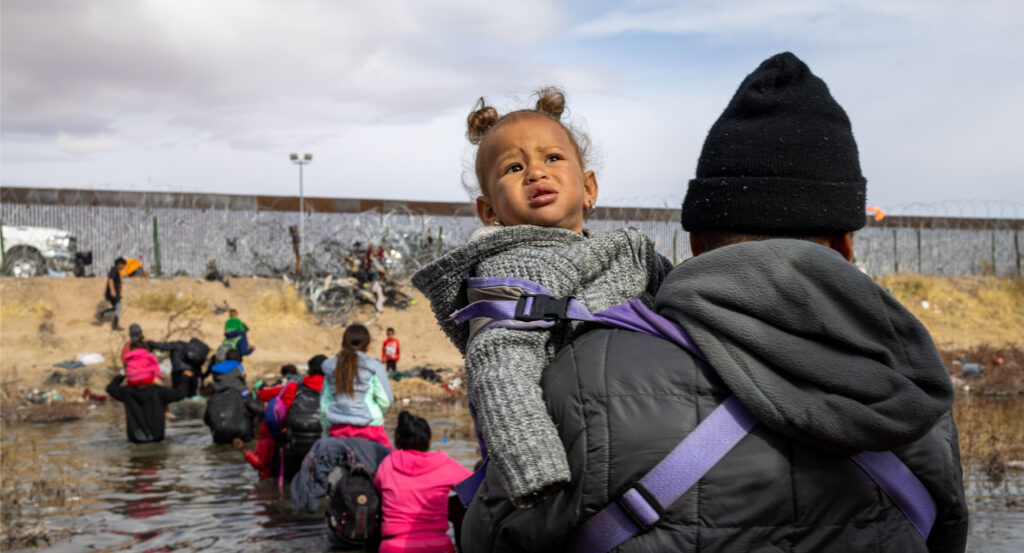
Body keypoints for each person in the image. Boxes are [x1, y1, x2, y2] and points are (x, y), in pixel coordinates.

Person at [459, 52, 969, 552]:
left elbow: (494, 534)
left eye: (552, 158)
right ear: (846, 245)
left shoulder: (580, 372)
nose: (536, 173)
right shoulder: (914, 389)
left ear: (696, 243)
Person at [411, 86, 671, 507]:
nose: (536, 173)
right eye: (513, 168)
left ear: (589, 188)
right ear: (489, 211)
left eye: (552, 158)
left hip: (646, 441)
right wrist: (536, 469)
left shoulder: (626, 251)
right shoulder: (512, 267)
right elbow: (498, 363)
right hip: (574, 462)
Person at [374, 411, 472, 553]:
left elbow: (378, 489)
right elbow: (477, 489)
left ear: (398, 441)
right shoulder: (443, 464)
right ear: (429, 441)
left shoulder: (387, 464)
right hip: (438, 546)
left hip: (393, 547)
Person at [236, 358, 328, 479]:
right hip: (324, 447)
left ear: (309, 371)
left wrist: (244, 451)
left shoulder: (292, 387)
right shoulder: (334, 390)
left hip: (291, 448)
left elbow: (262, 394)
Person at [322, 324, 394, 448]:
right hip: (370, 430)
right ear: (368, 346)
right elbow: (386, 401)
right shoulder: (374, 367)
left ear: (342, 344)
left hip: (337, 429)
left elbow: (324, 404)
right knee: (388, 464)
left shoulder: (330, 367)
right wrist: (376, 414)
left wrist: (325, 433)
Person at [106, 371, 185, 443]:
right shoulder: (160, 391)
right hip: (157, 439)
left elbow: (110, 388)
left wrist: (123, 374)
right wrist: (185, 377)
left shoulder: (127, 392)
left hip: (135, 439)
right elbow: (180, 394)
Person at [95, 257, 127, 330]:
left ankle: (101, 314)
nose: (124, 267)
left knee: (116, 308)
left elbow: (115, 281)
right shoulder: (114, 269)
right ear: (119, 264)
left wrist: (120, 285)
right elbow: (110, 279)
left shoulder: (116, 270)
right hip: (113, 293)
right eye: (123, 265)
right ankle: (115, 325)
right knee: (118, 308)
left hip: (114, 292)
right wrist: (112, 291)